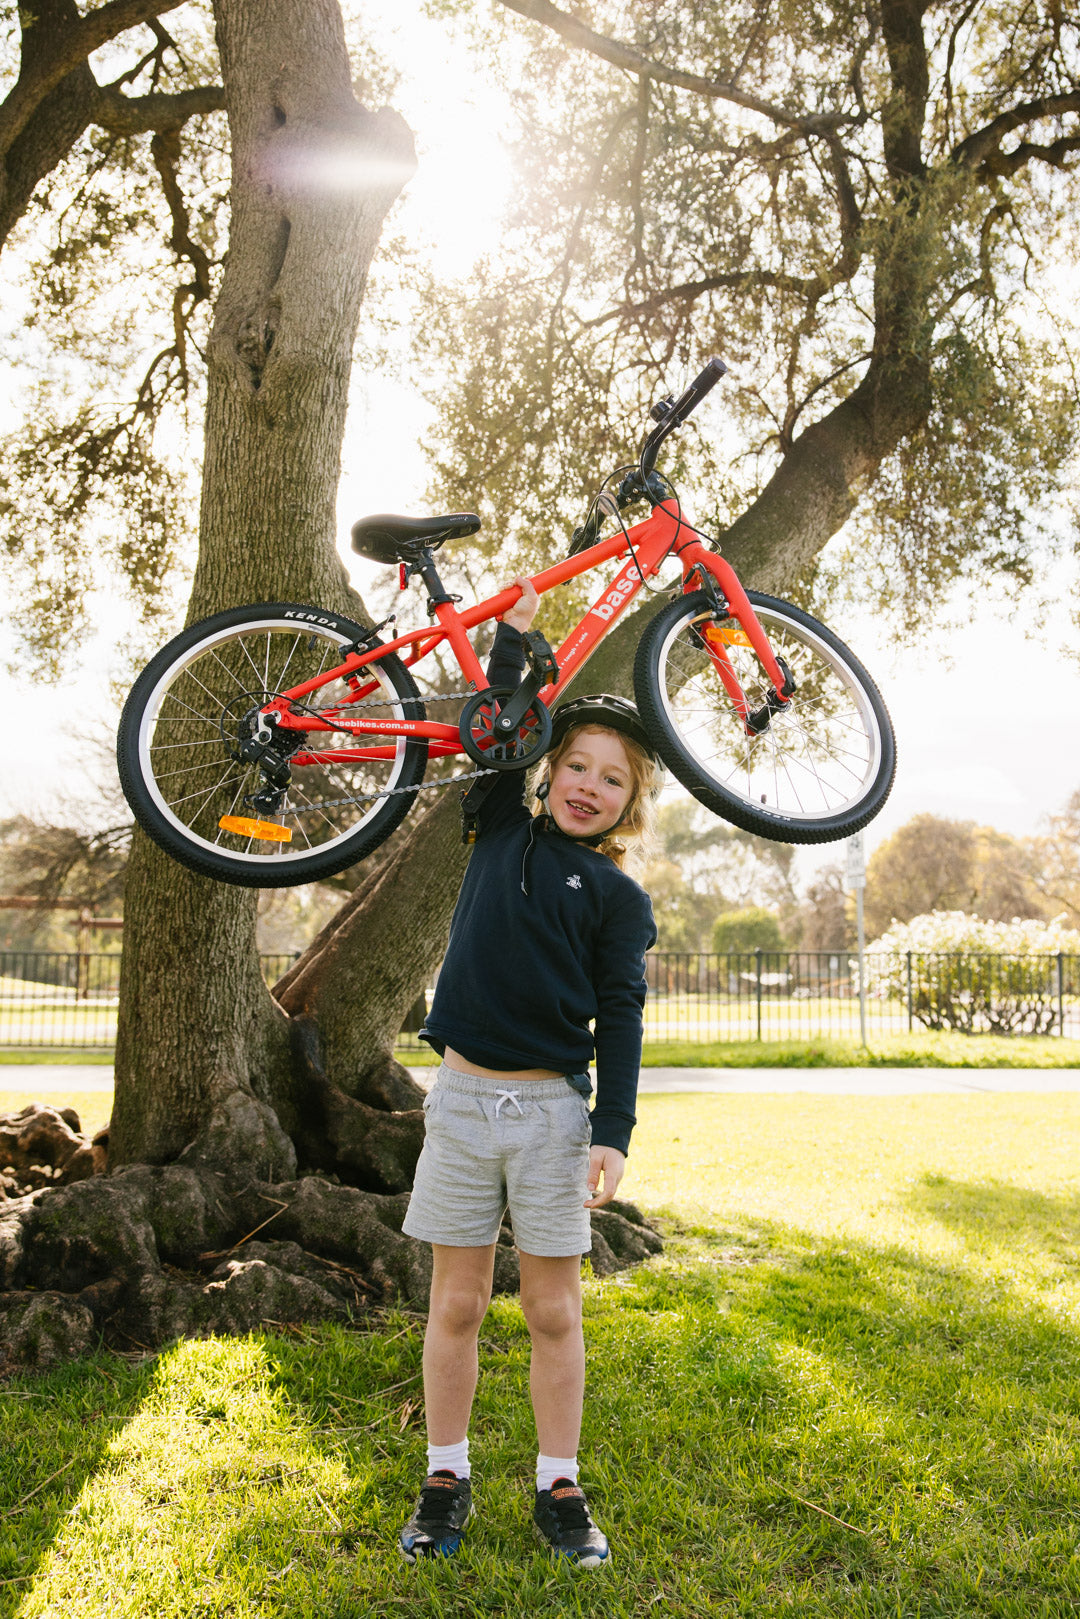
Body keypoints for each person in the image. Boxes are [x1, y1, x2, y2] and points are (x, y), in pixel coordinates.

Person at [397, 577, 660, 1569]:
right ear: (549, 773)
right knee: (456, 1303)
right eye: (576, 765)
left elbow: (624, 1015)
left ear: (631, 804)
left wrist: (615, 1129)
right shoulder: (500, 825)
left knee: (552, 1306)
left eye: (614, 779)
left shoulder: (618, 896)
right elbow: (495, 733)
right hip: (460, 1104)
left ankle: (560, 1481)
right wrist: (512, 663)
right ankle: (444, 1474)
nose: (589, 784)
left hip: (553, 1115)